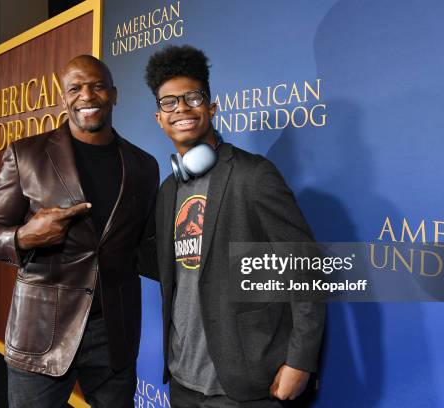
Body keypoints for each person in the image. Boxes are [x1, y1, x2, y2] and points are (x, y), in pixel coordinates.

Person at [0, 55, 159, 408]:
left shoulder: (144, 166)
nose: (87, 95)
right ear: (63, 97)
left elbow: (145, 248)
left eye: (97, 85)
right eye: (76, 87)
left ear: (114, 94)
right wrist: (25, 236)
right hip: (42, 329)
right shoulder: (26, 155)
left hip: (114, 333)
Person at [143, 45, 325, 407]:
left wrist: (301, 361)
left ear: (211, 108)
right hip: (182, 381)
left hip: (245, 385)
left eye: (192, 97)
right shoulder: (168, 191)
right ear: (159, 119)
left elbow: (306, 268)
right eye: (169, 102)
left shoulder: (253, 175)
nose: (180, 108)